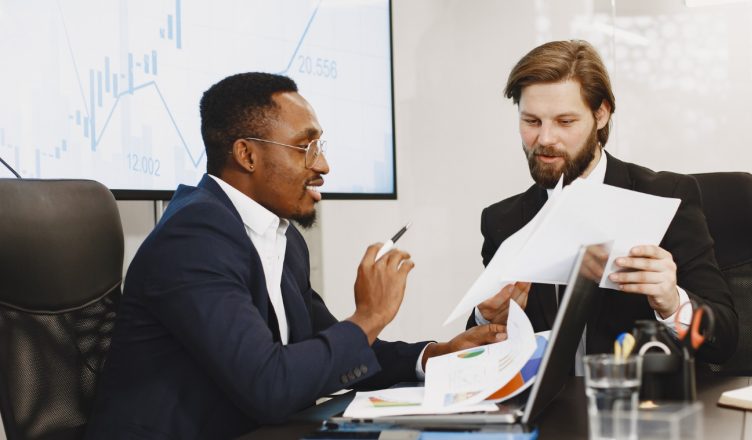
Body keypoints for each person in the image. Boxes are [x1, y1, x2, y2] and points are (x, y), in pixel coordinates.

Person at [86, 72, 506, 439]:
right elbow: (269, 387)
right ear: (247, 154)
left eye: (320, 145)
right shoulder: (194, 237)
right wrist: (370, 316)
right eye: (305, 147)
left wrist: (432, 355)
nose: (322, 164)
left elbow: (322, 349)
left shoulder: (281, 237)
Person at [467, 40, 738, 366]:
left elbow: (725, 340)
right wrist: (486, 319)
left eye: (565, 122)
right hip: (549, 411)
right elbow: (477, 359)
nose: (546, 139)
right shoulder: (503, 220)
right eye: (532, 121)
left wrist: (672, 301)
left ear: (601, 114)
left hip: (640, 407)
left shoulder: (666, 198)